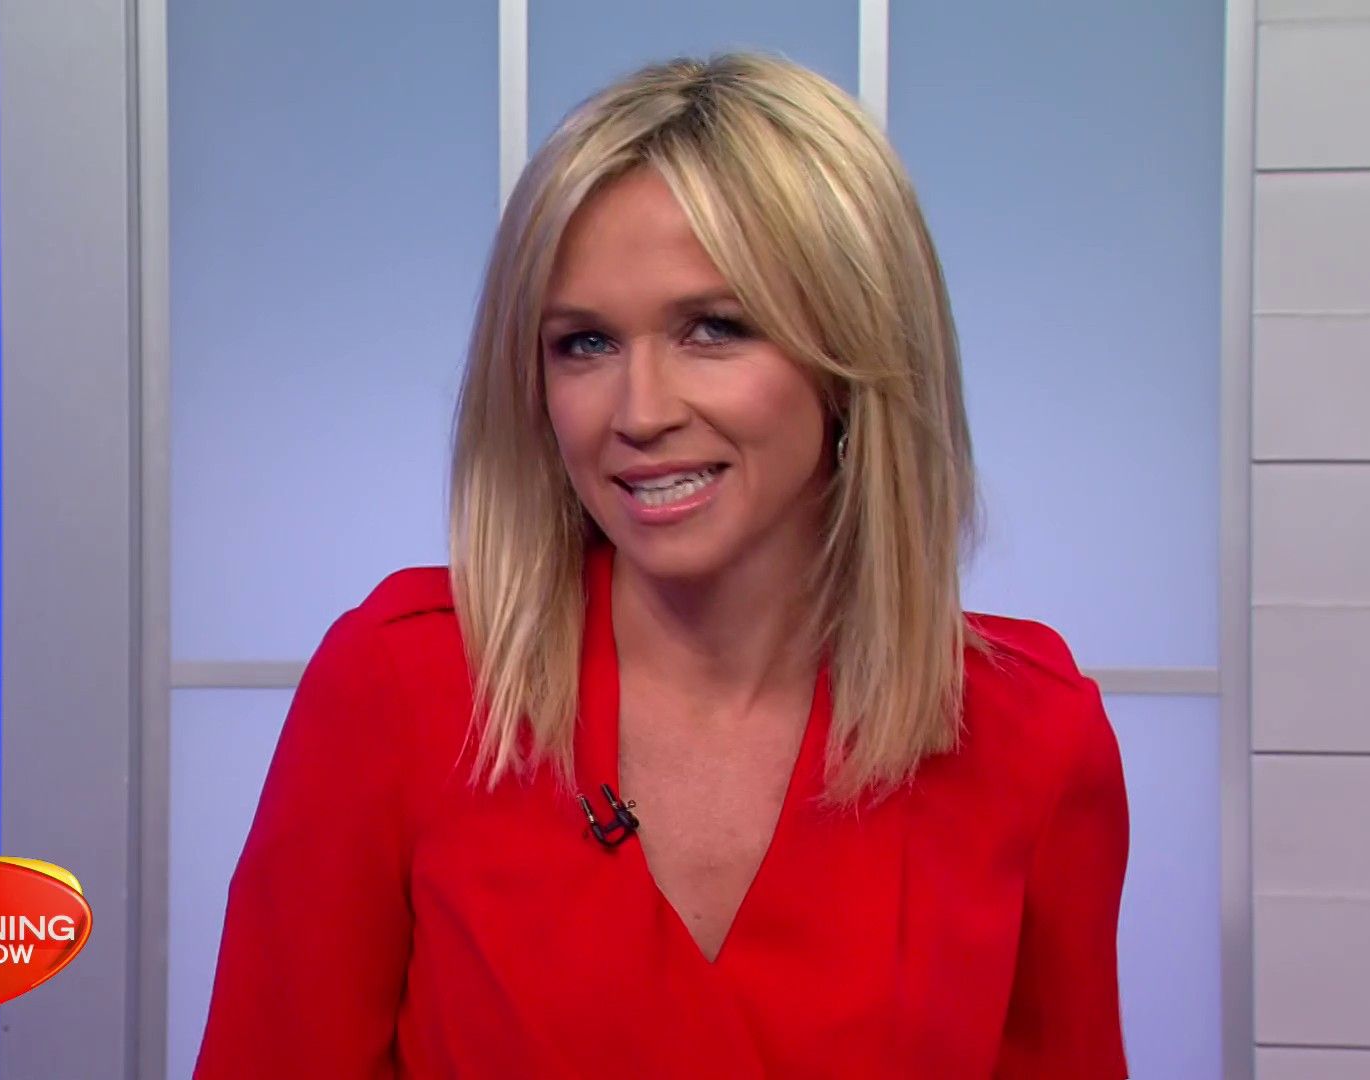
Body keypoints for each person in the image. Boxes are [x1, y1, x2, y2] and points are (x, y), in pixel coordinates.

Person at [192, 51, 1129, 1079]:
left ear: (853, 361)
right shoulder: (402, 690)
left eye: (714, 329)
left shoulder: (1032, 740)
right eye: (585, 344)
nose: (639, 412)